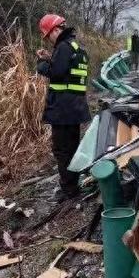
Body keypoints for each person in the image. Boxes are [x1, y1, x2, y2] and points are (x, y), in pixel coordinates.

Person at [36, 14, 91, 200]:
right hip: (75, 109)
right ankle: (72, 185)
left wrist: (42, 64)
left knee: (62, 150)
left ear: (56, 30)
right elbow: (67, 72)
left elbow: (56, 74)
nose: (48, 39)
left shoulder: (63, 47)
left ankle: (69, 190)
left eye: (48, 35)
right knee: (73, 148)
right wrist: (50, 58)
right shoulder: (76, 47)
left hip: (62, 110)